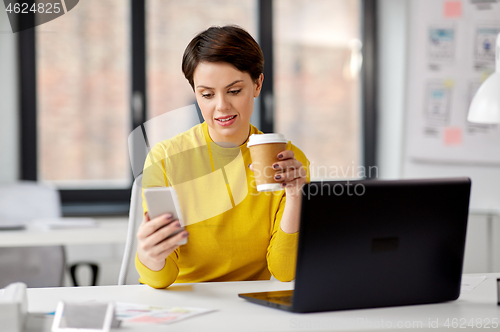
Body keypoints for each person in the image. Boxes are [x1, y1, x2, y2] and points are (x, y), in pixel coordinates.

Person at [135, 25, 310, 289]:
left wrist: (297, 195)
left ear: (257, 84)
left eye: (234, 90)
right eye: (206, 94)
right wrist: (150, 255)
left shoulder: (288, 160)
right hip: (187, 303)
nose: (221, 106)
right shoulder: (166, 158)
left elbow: (285, 271)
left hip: (252, 303)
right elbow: (161, 279)